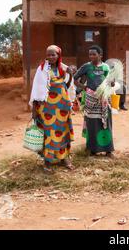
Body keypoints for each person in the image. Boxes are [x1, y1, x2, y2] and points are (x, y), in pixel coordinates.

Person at [29, 45, 76, 173]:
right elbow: (36, 90)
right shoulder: (42, 69)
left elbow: (67, 85)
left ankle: (64, 158)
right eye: (48, 55)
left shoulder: (63, 68)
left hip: (62, 106)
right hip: (47, 108)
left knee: (63, 131)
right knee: (49, 133)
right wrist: (34, 109)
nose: (50, 57)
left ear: (58, 55)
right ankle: (48, 162)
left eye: (53, 55)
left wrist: (71, 75)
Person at [74, 45, 115, 157]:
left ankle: (108, 150)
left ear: (100, 55)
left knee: (105, 122)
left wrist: (111, 84)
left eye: (94, 54)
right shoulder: (86, 67)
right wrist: (85, 88)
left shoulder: (106, 67)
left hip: (104, 99)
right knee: (92, 123)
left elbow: (111, 81)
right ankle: (93, 149)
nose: (91, 56)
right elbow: (75, 78)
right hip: (91, 99)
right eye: (90, 54)